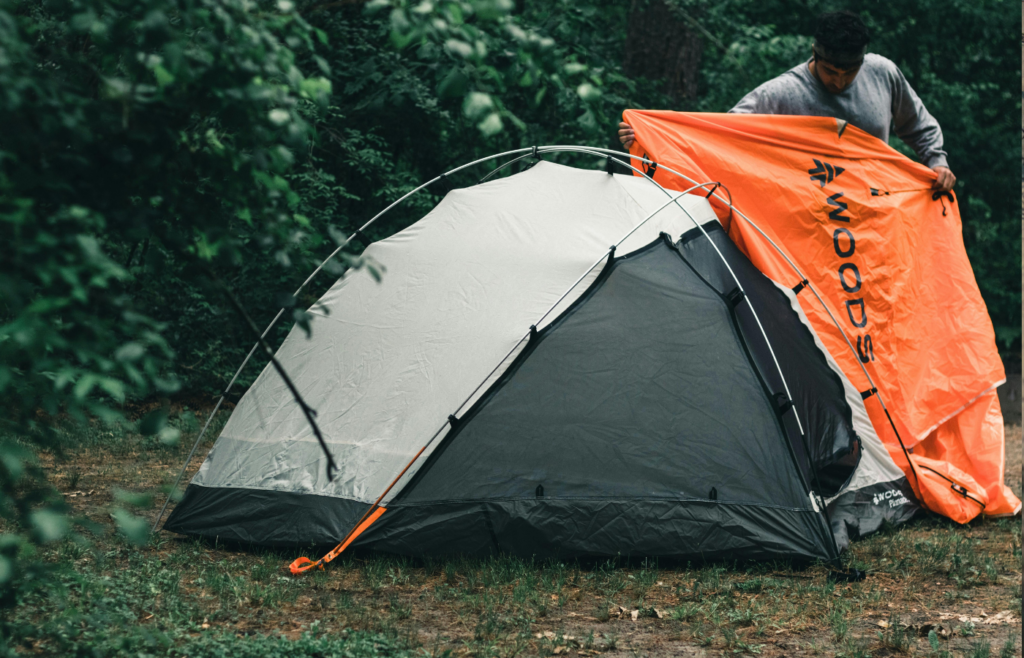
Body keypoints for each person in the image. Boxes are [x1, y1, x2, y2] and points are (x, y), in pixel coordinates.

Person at [617, 11, 956, 192]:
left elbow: (919, 126)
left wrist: (937, 162)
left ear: (862, 61)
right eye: (831, 70)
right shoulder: (780, 94)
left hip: (876, 207)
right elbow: (720, 135)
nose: (839, 80)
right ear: (815, 54)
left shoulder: (883, 73)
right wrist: (652, 139)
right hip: (812, 215)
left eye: (849, 71)